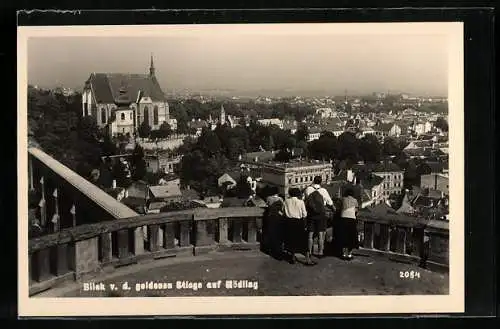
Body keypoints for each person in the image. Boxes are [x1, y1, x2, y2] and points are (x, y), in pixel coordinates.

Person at [303, 176, 335, 265]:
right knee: (321, 233)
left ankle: (309, 251)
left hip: (310, 214)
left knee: (310, 234)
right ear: (321, 182)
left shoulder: (308, 189)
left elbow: (303, 200)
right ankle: (320, 252)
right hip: (321, 215)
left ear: (313, 181)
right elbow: (330, 203)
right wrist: (334, 209)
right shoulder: (323, 191)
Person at [282, 187, 308, 264]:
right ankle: (303, 256)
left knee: (290, 239)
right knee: (299, 239)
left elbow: (283, 211)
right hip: (298, 222)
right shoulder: (301, 202)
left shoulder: (286, 201)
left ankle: (292, 255)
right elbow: (304, 214)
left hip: (288, 222)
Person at [338, 187, 359, 260]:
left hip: (343, 219)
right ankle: (350, 254)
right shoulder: (355, 200)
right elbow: (356, 211)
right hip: (352, 219)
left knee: (344, 236)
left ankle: (343, 254)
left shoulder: (343, 199)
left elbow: (339, 207)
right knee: (351, 236)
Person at [264, 186, 285, 259]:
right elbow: (282, 208)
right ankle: (278, 250)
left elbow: (267, 205)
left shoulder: (268, 198)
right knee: (278, 234)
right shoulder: (280, 199)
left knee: (271, 233)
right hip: (279, 218)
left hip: (271, 217)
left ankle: (271, 250)